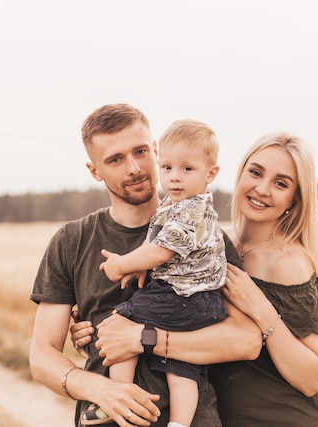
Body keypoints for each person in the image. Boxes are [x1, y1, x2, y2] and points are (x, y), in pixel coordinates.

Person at [75, 131, 318, 426]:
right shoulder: (215, 244)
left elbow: (312, 378)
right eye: (255, 173)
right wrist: (92, 325)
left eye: (281, 183)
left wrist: (262, 311)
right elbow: (176, 309)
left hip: (284, 419)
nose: (262, 189)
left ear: (294, 198)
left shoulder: (288, 262)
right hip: (228, 415)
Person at [29, 103, 261, 427]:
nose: (134, 167)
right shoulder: (72, 240)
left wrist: (145, 338)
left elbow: (247, 340)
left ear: (154, 150)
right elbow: (41, 357)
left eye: (140, 151)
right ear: (94, 170)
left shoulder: (206, 237)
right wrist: (103, 390)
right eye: (115, 159)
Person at [85, 119, 227, 427]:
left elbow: (162, 250)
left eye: (187, 169)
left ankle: (120, 395)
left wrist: (123, 264)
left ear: (211, 174)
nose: (175, 177)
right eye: (168, 168)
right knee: (181, 366)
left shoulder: (190, 209)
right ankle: (178, 423)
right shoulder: (178, 206)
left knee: (120, 323)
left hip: (181, 296)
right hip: (198, 300)